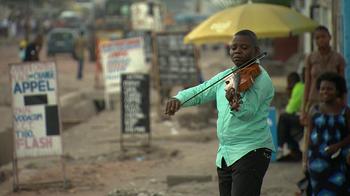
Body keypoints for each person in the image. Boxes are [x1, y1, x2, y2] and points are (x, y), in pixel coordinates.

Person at [165, 30, 275, 196]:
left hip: (251, 151)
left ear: (257, 51)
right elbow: (201, 91)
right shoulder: (227, 75)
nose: (237, 51)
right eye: (234, 47)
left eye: (244, 47)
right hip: (226, 154)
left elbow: (248, 113)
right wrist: (179, 99)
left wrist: (234, 103)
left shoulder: (261, 79)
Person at [303, 72, 350, 195]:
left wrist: (338, 146)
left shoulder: (345, 111)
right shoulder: (314, 110)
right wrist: (305, 161)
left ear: (338, 91)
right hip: (316, 161)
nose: (325, 91)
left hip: (338, 161)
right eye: (322, 88)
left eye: (329, 89)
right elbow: (308, 135)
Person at [301, 25, 346, 125]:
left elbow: (343, 85)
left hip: (334, 104)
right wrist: (303, 110)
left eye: (323, 37)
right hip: (314, 101)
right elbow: (307, 84)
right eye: (317, 38)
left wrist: (343, 104)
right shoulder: (310, 58)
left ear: (329, 37)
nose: (321, 40)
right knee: (312, 134)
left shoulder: (338, 58)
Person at [276, 72, 305, 162]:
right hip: (303, 116)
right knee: (286, 122)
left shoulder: (298, 87)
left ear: (291, 82)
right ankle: (294, 150)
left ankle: (280, 147)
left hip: (305, 117)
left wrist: (289, 93)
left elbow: (290, 110)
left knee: (283, 118)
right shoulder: (301, 87)